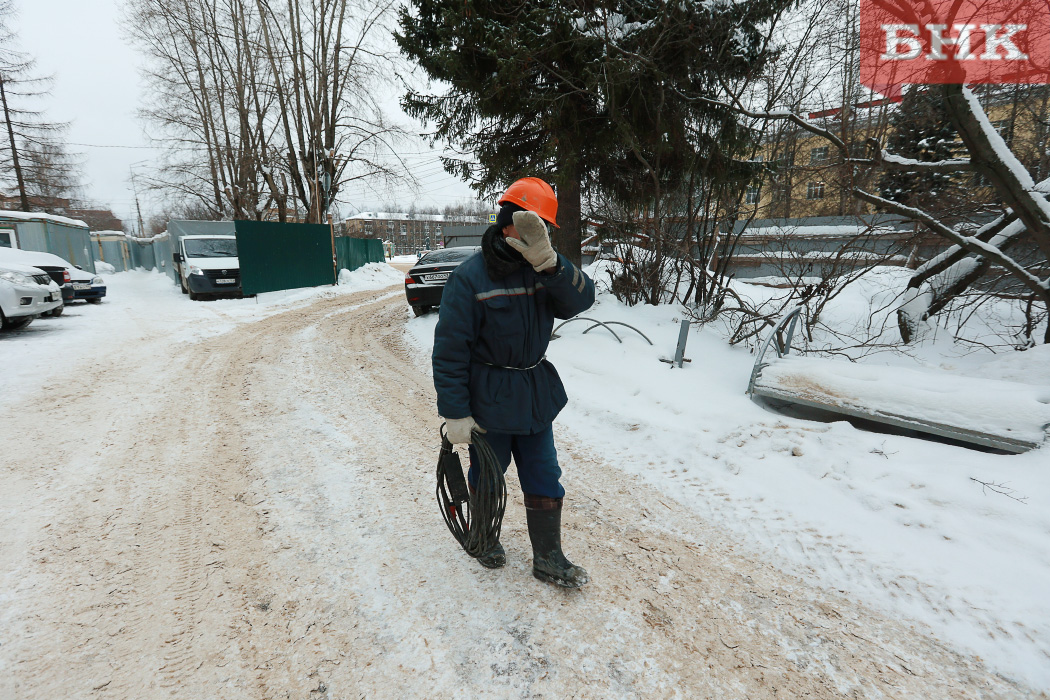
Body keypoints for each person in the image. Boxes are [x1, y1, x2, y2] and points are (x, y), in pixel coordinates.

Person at [432, 177, 595, 588]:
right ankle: (484, 536)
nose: (537, 234)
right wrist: (455, 413)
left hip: (534, 391)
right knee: (488, 473)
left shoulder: (542, 268)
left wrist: (551, 263)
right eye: (531, 224)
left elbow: (581, 300)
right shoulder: (469, 279)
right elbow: (449, 353)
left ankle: (548, 557)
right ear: (508, 222)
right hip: (489, 396)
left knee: (544, 474)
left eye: (543, 228)